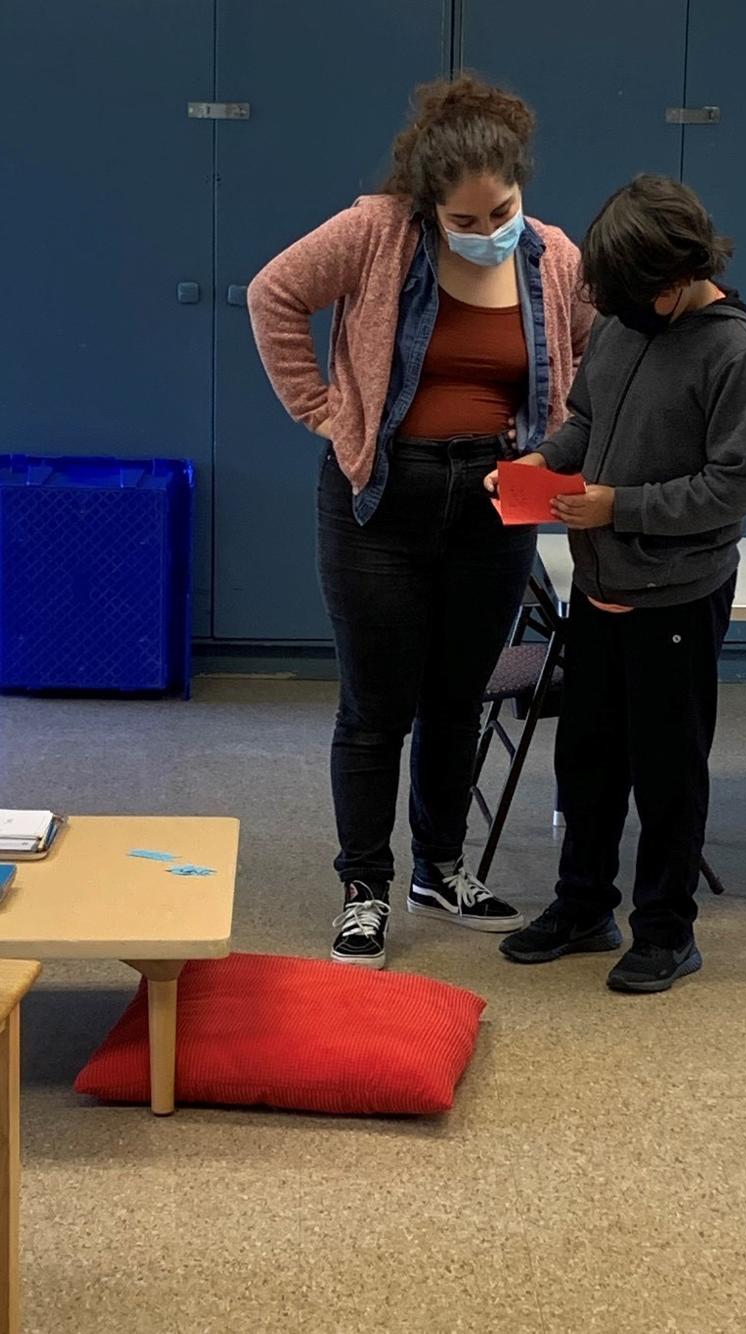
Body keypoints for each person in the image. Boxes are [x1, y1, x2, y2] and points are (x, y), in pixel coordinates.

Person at [248, 77, 593, 969]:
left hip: (496, 501)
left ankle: (440, 868)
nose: (488, 232)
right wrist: (319, 408)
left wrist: (560, 440)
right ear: (429, 203)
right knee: (376, 706)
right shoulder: (374, 231)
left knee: (459, 697)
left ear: (522, 189)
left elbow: (596, 345)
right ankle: (364, 889)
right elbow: (273, 293)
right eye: (468, 220)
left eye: (502, 211)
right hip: (380, 499)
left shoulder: (552, 256)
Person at [489, 175, 746, 993]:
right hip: (600, 586)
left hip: (677, 595)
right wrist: (544, 461)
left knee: (668, 770)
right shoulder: (622, 323)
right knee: (587, 761)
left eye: (639, 294)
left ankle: (666, 930)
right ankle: (584, 907)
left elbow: (736, 485)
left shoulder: (733, 350)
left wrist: (622, 506)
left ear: (679, 276)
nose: (622, 310)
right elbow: (585, 419)